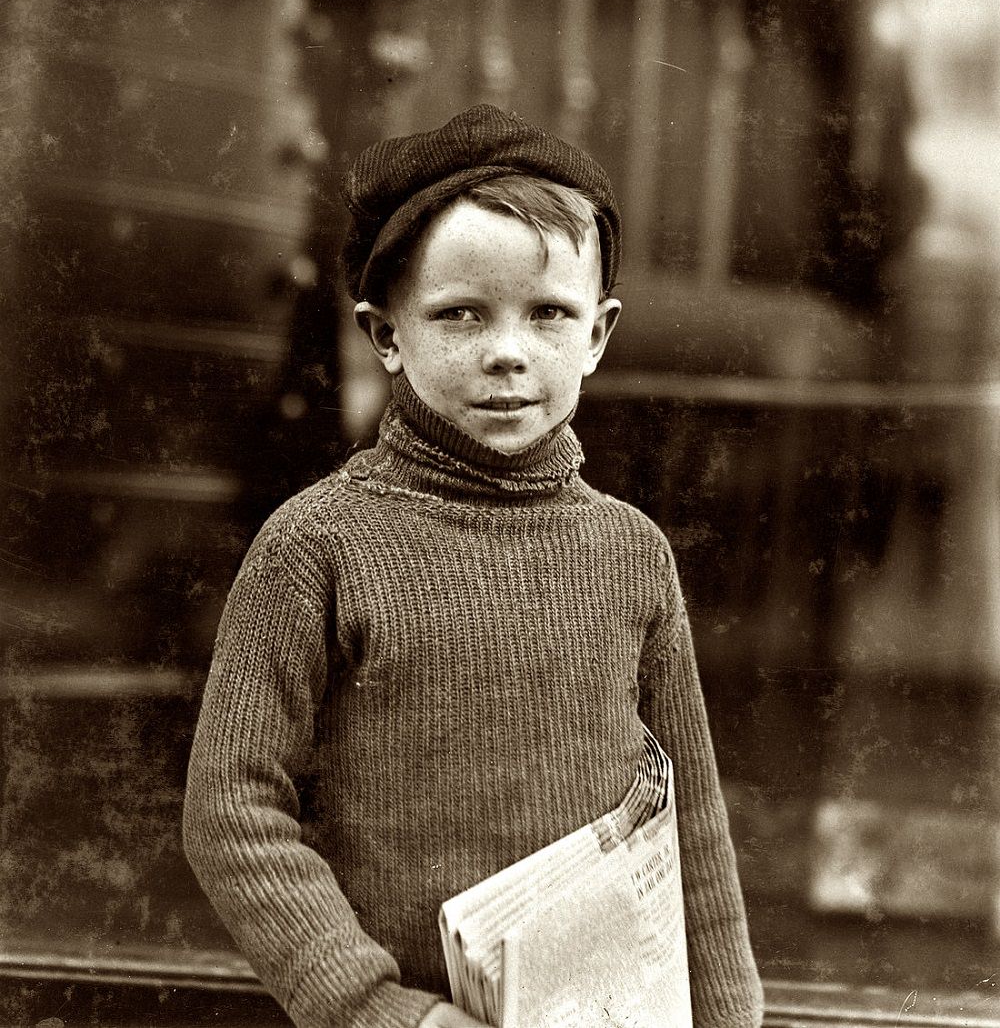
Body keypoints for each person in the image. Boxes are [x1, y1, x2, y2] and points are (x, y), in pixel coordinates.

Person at [183, 104, 763, 1028]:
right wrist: (380, 1010)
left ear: (599, 334)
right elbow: (233, 811)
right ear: (386, 334)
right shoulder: (317, 545)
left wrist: (729, 1017)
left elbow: (687, 811)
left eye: (549, 314)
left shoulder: (631, 552)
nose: (507, 350)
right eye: (460, 313)